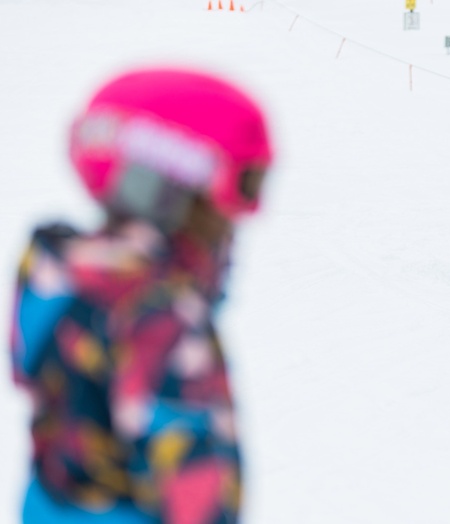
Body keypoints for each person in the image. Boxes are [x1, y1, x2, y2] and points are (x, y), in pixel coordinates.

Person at [8, 67, 273, 523]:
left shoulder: (60, 277)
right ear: (172, 189)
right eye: (235, 196)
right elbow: (198, 497)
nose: (236, 226)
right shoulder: (158, 321)